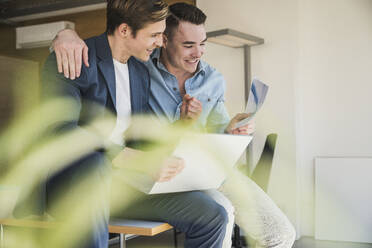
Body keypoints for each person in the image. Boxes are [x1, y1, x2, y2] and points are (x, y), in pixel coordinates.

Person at [53, 2, 297, 248]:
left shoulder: (203, 78)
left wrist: (224, 129)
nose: (198, 52)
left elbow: (208, 131)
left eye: (202, 44)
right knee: (220, 211)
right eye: (188, 45)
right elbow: (68, 130)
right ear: (164, 40)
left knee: (269, 230)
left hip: (197, 169)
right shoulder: (138, 66)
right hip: (130, 173)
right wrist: (64, 33)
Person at [42, 1, 229, 248]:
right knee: (94, 165)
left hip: (125, 186)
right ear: (124, 31)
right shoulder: (74, 57)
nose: (161, 42)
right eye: (154, 35)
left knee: (213, 215)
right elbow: (62, 132)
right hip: (76, 187)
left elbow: (140, 139)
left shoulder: (139, 72)